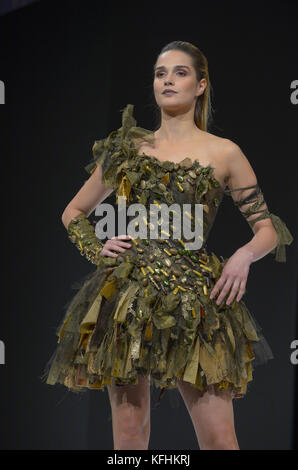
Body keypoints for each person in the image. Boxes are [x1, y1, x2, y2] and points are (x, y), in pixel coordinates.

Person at [41, 41, 294, 450]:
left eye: (179, 72)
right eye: (161, 73)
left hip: (196, 299)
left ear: (200, 85)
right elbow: (73, 210)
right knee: (129, 437)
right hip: (128, 299)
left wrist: (243, 257)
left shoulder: (223, 152)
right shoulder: (128, 148)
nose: (168, 81)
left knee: (220, 440)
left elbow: (267, 229)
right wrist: (95, 247)